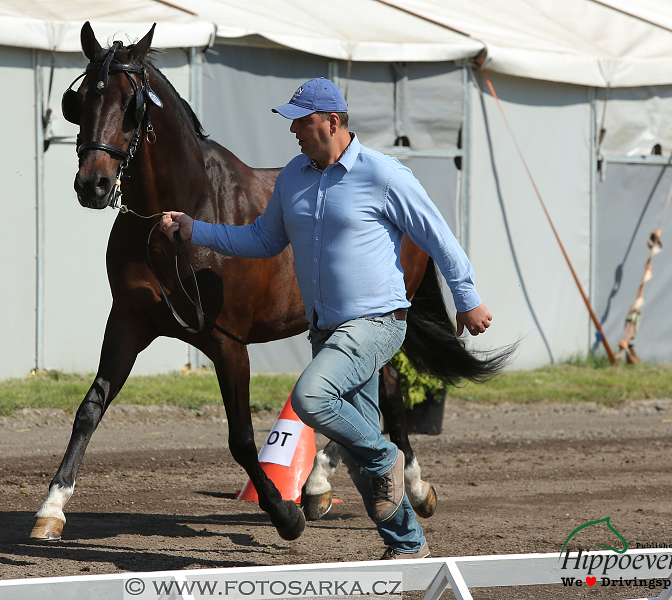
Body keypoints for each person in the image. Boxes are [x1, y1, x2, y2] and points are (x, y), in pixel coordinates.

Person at [161, 77, 492, 559]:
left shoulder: (383, 174)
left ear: (332, 122)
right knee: (357, 457)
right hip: (327, 330)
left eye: (302, 120)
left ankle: (387, 456)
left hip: (377, 322)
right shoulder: (295, 176)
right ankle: (408, 544)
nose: (293, 129)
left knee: (313, 398)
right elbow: (263, 239)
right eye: (291, 121)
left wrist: (467, 298)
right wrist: (197, 231)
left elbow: (438, 235)